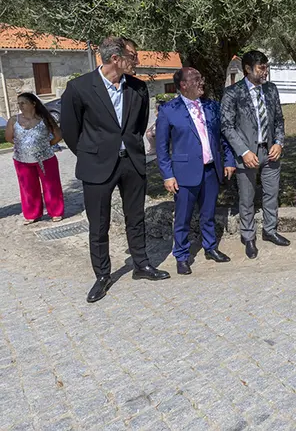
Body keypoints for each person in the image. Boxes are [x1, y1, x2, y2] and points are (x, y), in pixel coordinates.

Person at [61, 36, 170, 303]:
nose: (137, 61)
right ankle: (102, 275)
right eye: (132, 56)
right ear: (115, 59)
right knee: (99, 225)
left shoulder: (138, 88)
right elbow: (70, 130)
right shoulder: (79, 88)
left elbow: (138, 124)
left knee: (136, 217)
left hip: (131, 162)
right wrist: (91, 153)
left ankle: (141, 265)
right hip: (97, 166)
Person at [156, 68, 236, 275]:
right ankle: (181, 256)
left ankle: (210, 247)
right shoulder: (169, 110)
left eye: (201, 78)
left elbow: (222, 138)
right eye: (196, 79)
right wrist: (167, 175)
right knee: (182, 218)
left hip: (211, 170)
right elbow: (162, 147)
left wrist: (228, 161)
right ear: (183, 84)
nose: (202, 82)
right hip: (184, 174)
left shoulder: (211, 106)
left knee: (208, 214)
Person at [221, 49, 289, 259]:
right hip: (247, 153)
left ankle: (270, 230)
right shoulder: (233, 93)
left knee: (271, 193)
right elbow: (226, 126)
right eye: (261, 68)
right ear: (248, 69)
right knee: (247, 198)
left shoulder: (271, 90)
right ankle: (248, 236)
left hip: (270, 152)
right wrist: (243, 151)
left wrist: (278, 142)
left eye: (266, 67)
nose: (265, 71)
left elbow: (279, 119)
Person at [6, 92, 65, 224]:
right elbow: (9, 138)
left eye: (23, 103)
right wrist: (24, 146)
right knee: (27, 187)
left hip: (46, 158)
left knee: (51, 186)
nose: (20, 106)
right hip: (22, 160)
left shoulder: (44, 118)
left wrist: (46, 145)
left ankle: (56, 212)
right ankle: (32, 214)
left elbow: (58, 135)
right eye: (19, 103)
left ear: (33, 104)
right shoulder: (13, 120)